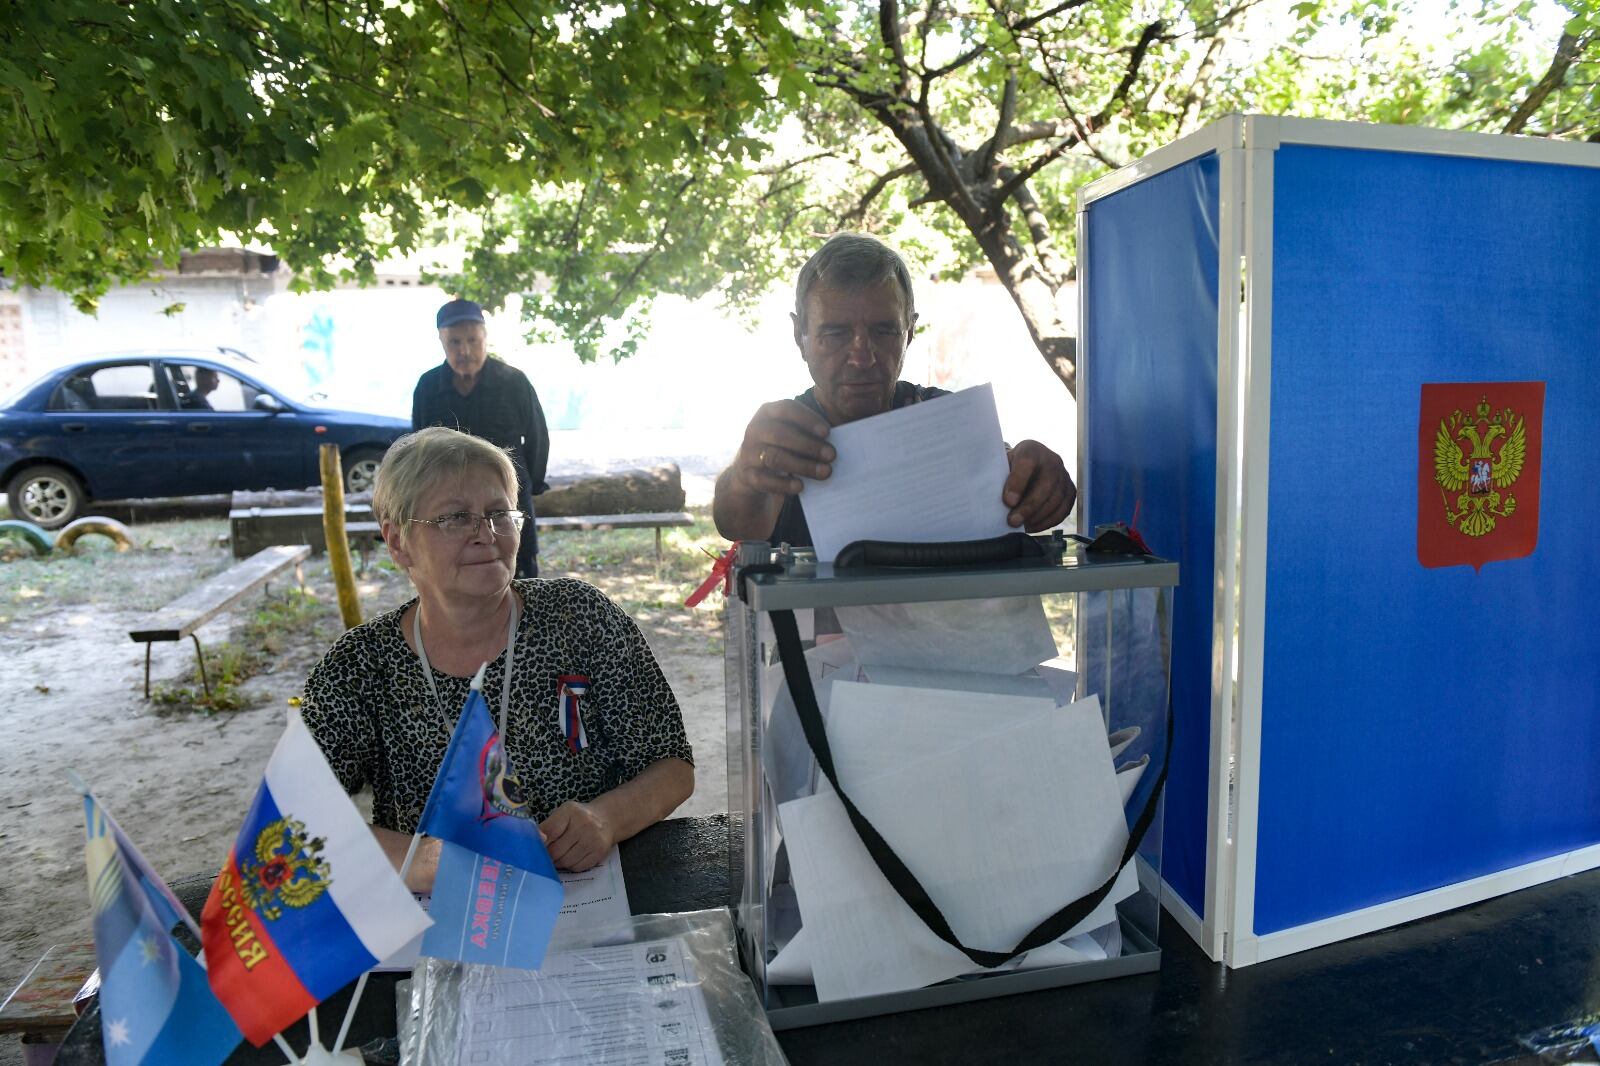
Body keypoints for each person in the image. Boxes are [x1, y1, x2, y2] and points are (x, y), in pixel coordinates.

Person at [299, 427, 693, 886]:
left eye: (498, 513)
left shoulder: (580, 616)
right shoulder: (361, 667)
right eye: (454, 518)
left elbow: (673, 767)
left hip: (589, 896)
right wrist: (426, 861)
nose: (485, 534)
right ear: (398, 541)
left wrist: (605, 818)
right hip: (444, 924)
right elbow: (296, 821)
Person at [713, 233, 1077, 546]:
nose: (862, 356)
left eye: (884, 331)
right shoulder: (784, 439)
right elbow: (739, 525)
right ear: (800, 336)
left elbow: (1007, 477)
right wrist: (746, 475)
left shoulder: (944, 420)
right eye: (836, 333)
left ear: (910, 331)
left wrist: (1034, 478)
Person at [412, 299, 550, 578]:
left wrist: (530, 482)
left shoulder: (514, 382)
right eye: (454, 342)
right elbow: (418, 448)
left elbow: (538, 438)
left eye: (472, 340)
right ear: (441, 342)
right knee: (457, 574)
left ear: (485, 338)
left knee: (519, 573)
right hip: (450, 502)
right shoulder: (428, 387)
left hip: (509, 499)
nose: (465, 350)